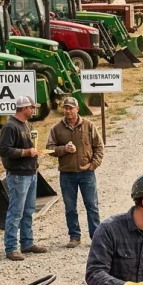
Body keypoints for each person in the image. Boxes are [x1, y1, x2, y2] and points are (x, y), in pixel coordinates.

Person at [46, 96, 104, 248]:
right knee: (70, 207)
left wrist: (93, 164)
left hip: (87, 173)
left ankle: (95, 236)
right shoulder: (56, 128)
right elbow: (50, 148)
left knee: (92, 205)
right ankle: (74, 236)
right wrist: (63, 149)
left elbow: (99, 146)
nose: (68, 111)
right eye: (65, 108)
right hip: (67, 174)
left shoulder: (89, 125)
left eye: (71, 108)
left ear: (77, 109)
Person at [0, 95, 47, 261]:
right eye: (32, 107)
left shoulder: (26, 125)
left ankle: (27, 243)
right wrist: (26, 153)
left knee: (28, 211)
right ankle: (11, 248)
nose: (34, 110)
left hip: (30, 173)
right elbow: (5, 151)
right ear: (24, 108)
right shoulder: (10, 127)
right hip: (18, 175)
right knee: (16, 212)